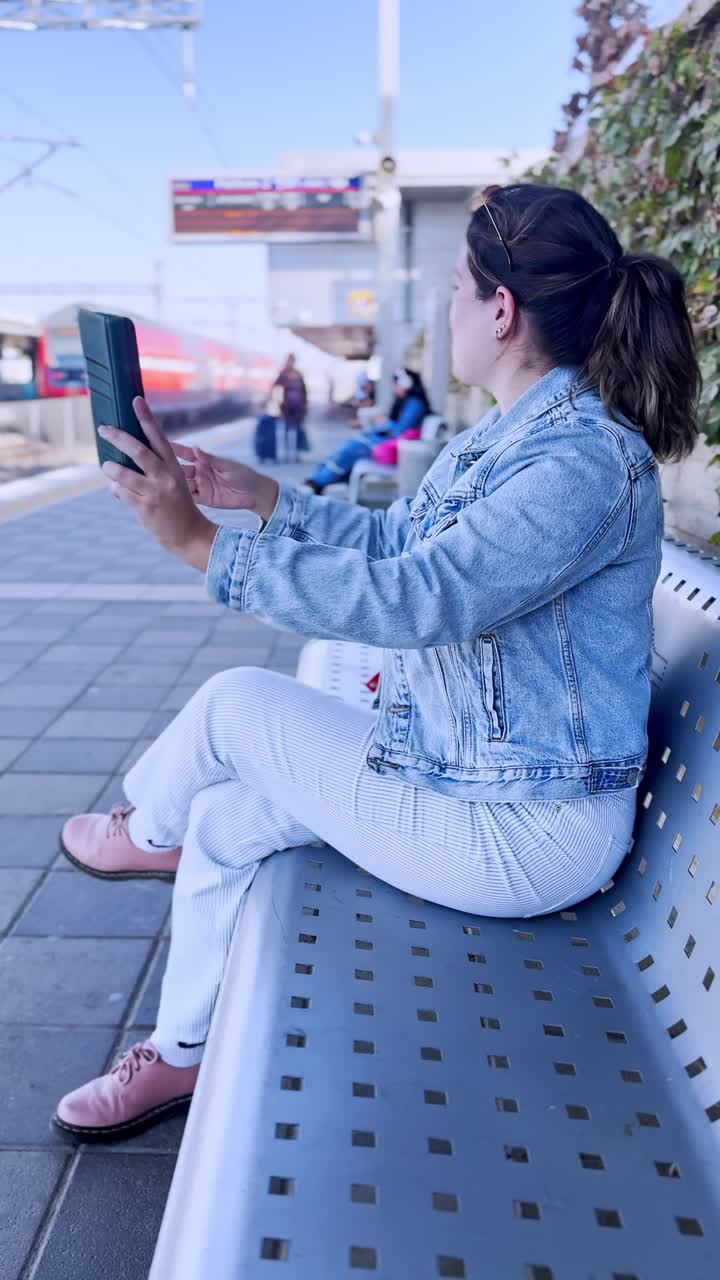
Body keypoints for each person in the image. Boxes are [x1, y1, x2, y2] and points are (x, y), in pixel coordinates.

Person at [52, 182, 698, 1142]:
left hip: (524, 833)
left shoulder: (580, 464)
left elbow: (419, 601)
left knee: (238, 706)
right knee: (231, 818)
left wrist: (201, 545)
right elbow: (401, 543)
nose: (447, 312)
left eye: (453, 289)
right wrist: (262, 497)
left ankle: (149, 826)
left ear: (500, 310)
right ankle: (180, 1053)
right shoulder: (514, 437)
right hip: (479, 774)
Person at [305, 367, 430, 493]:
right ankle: (319, 481)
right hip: (391, 444)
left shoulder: (414, 404)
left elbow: (399, 431)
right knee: (349, 447)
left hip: (393, 448)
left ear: (406, 384)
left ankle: (318, 482)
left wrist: (384, 422)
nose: (395, 388)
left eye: (397, 384)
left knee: (349, 450)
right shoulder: (410, 402)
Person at [273, 353, 308, 462]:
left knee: (297, 430)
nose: (290, 362)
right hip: (286, 406)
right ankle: (287, 454)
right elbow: (276, 389)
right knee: (286, 430)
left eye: (292, 361)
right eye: (289, 360)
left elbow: (304, 391)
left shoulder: (298, 374)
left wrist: (305, 404)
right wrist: (277, 404)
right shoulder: (282, 374)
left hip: (298, 406)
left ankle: (296, 454)